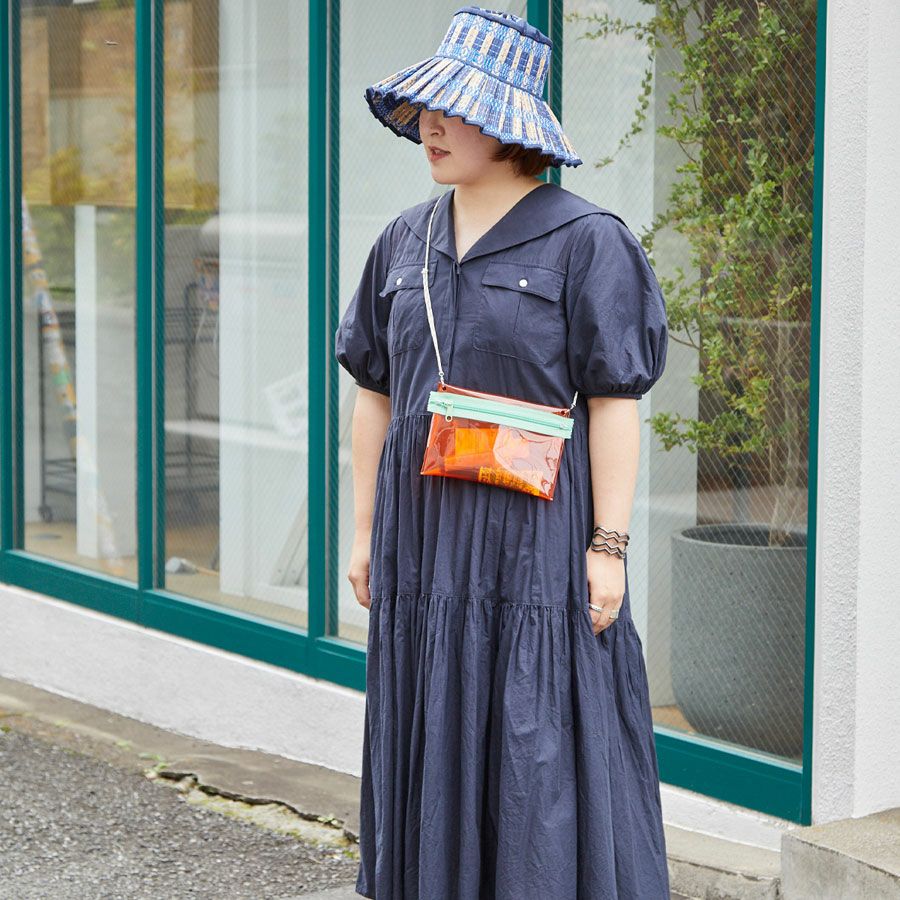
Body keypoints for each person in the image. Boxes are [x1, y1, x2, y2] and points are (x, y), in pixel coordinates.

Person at [335, 6, 670, 898]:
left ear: (511, 126)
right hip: (422, 535)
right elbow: (374, 393)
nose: (431, 127)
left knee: (537, 730)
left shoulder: (589, 240)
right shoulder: (402, 240)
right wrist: (364, 531)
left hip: (535, 539)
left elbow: (614, 402)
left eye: (456, 110)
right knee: (430, 709)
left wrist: (609, 547)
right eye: (427, 108)